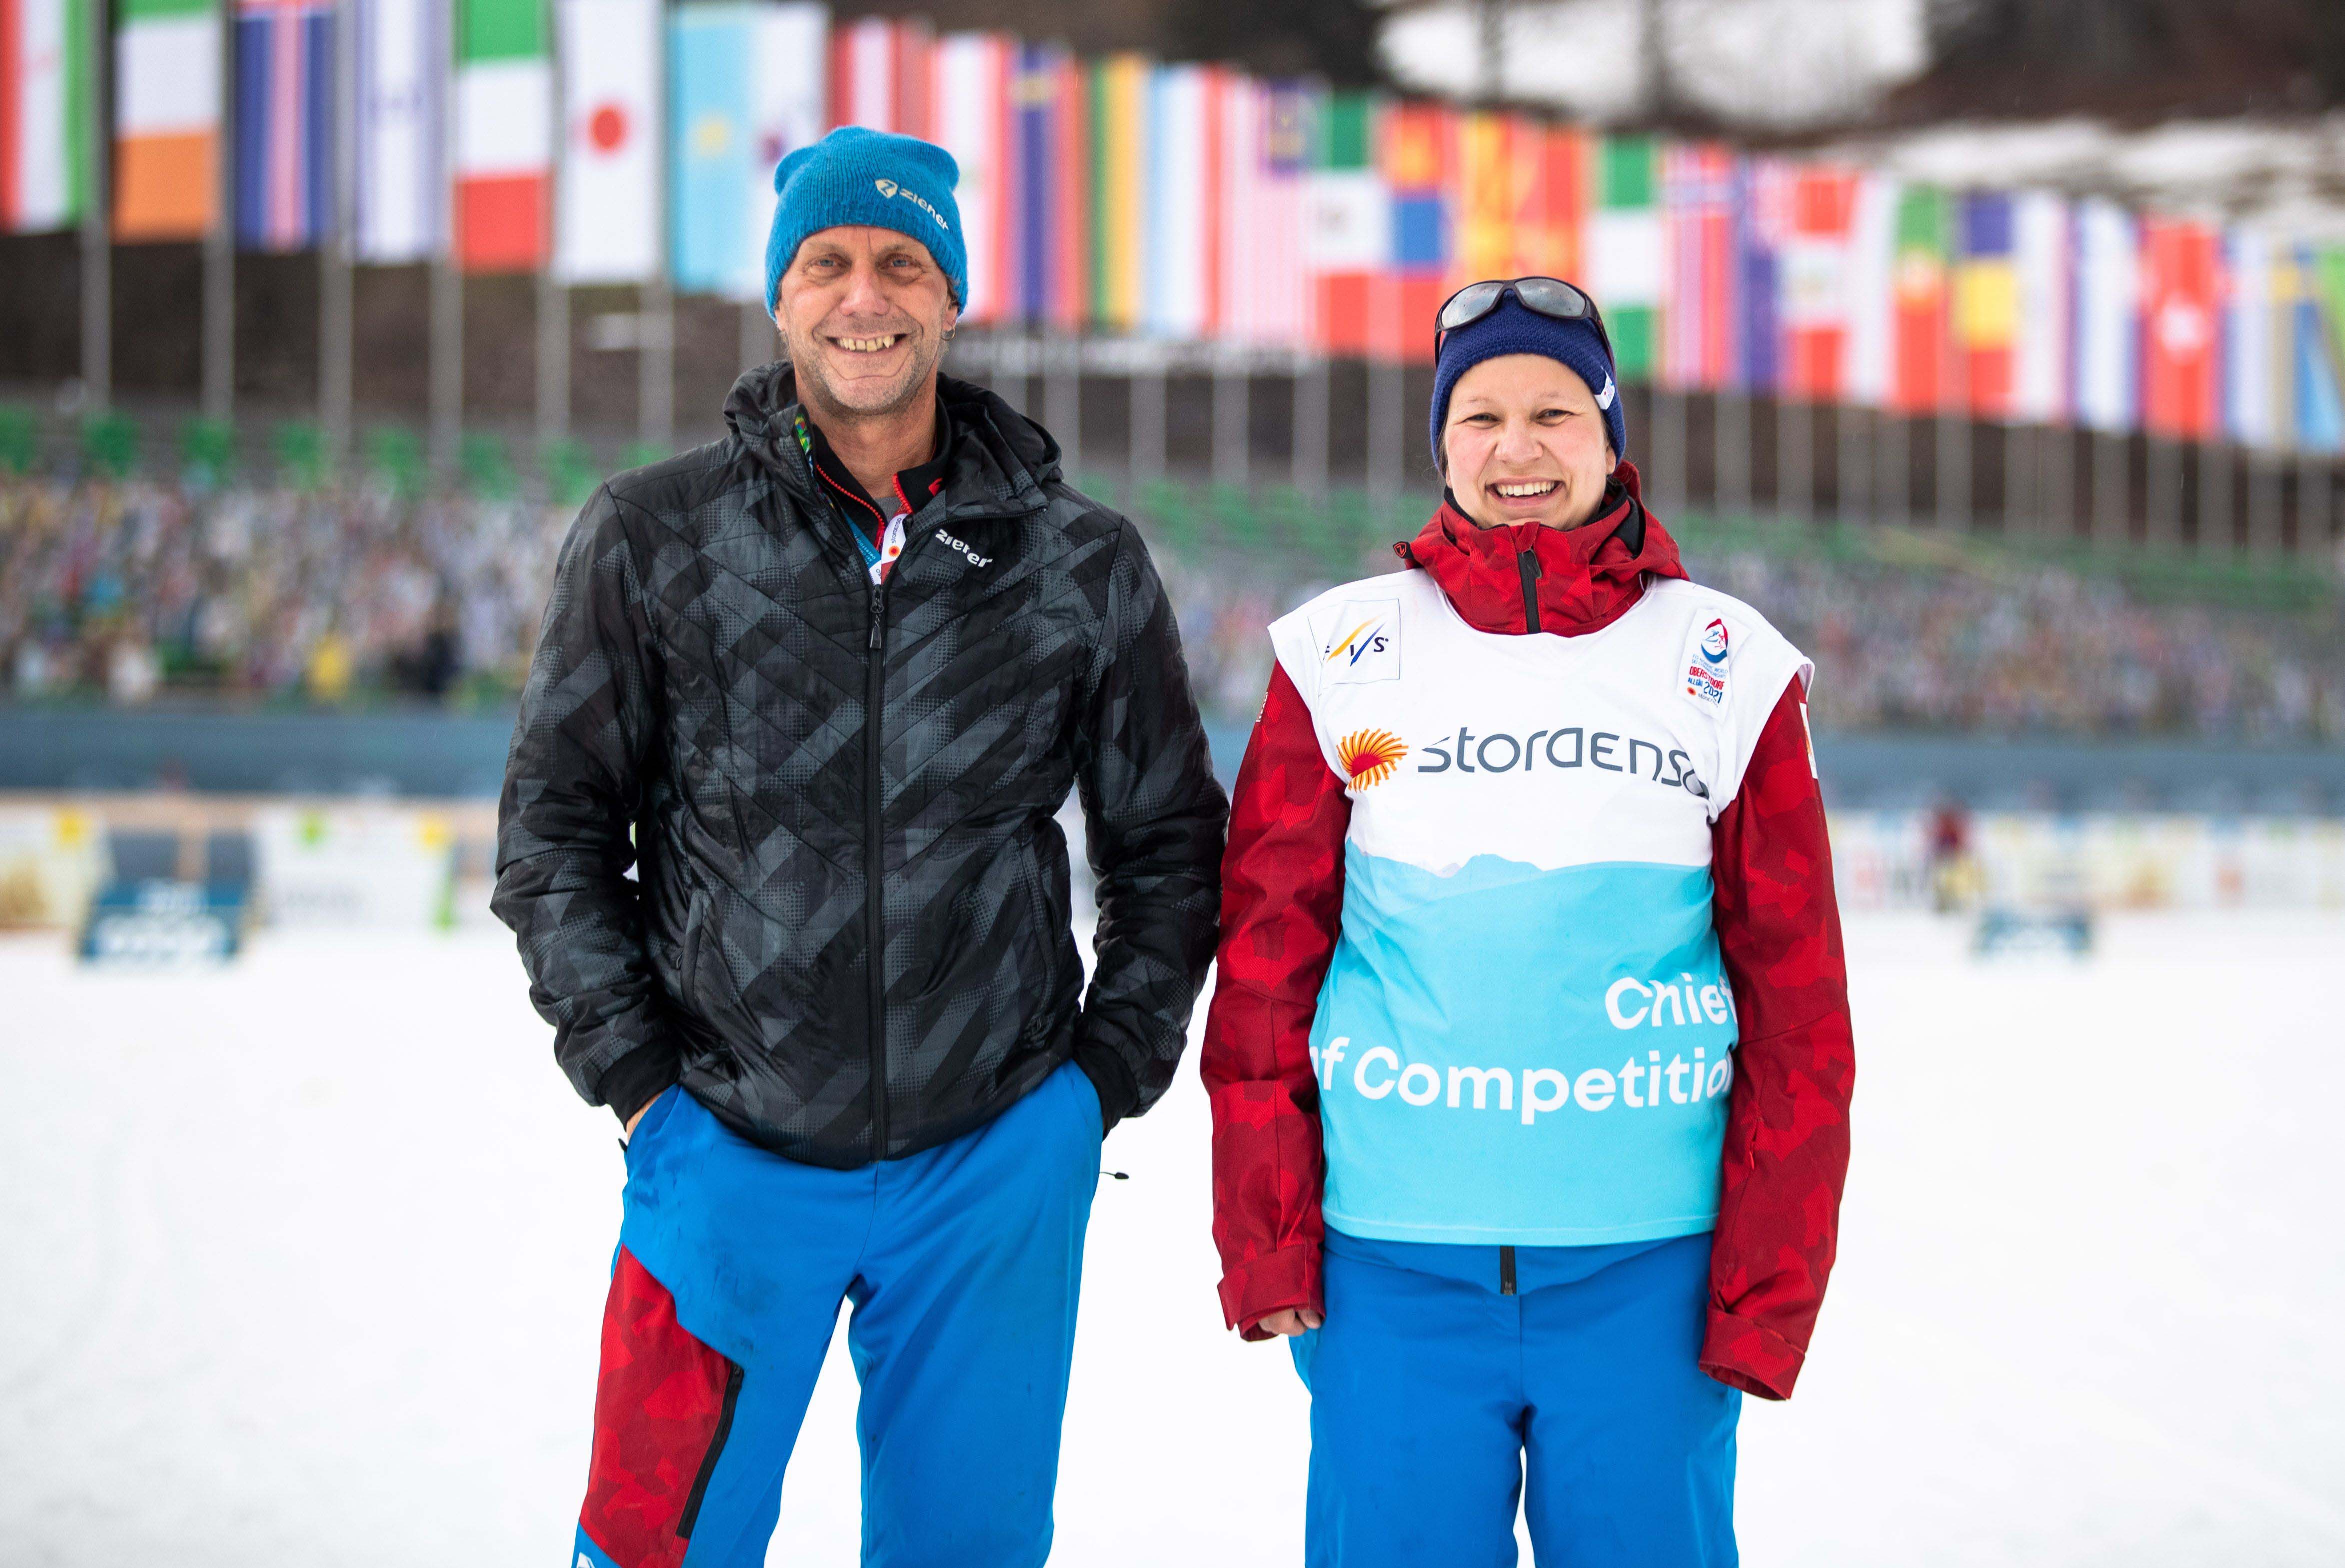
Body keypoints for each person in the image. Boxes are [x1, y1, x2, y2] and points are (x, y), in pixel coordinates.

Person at [495, 126, 1227, 1568]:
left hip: (990, 1168)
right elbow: (555, 831)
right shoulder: (653, 535)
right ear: (780, 297)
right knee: (655, 1548)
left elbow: (1166, 844)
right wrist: (644, 1093)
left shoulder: (1076, 560)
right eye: (825, 263)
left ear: (951, 297)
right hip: (721, 1149)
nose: (863, 295)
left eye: (901, 262)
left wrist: (1093, 1091)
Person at [1203, 278, 1855, 1567]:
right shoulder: (1341, 653)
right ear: (1441, 441)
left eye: (1554, 412)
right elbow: (1266, 972)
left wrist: (1765, 1291)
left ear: (1610, 433)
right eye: (1482, 415)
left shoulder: (1724, 661)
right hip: (1391, 1270)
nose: (1516, 449)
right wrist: (1268, 1245)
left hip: (1649, 1277)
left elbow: (1801, 1010)